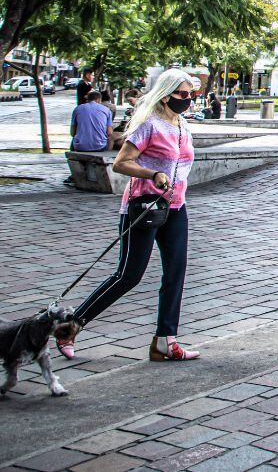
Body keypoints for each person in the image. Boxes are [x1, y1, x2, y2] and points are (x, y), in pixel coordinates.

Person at [65, 68, 201, 363]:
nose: (187, 99)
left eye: (191, 94)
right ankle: (71, 325)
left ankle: (165, 341)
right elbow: (121, 163)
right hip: (144, 206)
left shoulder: (182, 126)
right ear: (165, 97)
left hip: (176, 207)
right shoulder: (148, 126)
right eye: (182, 94)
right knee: (129, 275)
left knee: (176, 272)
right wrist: (153, 174)